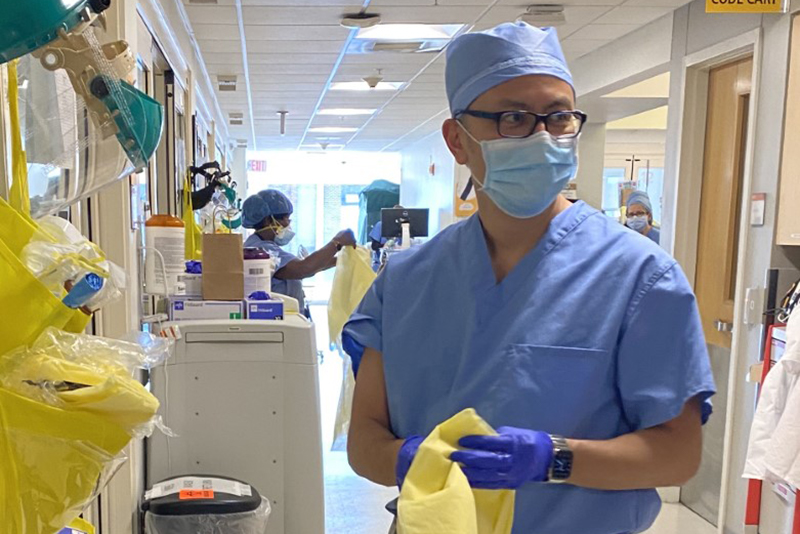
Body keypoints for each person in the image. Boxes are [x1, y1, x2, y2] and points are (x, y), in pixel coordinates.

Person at [343, 22, 715, 534]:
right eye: (514, 118)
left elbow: (677, 454)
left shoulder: (640, 278)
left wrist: (555, 459)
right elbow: (364, 443)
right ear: (457, 140)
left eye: (559, 117)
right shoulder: (406, 282)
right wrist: (410, 459)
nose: (543, 137)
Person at [242, 189, 356, 314]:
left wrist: (342, 259)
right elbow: (304, 268)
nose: (288, 224)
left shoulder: (266, 246)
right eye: (285, 219)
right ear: (267, 221)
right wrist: (336, 242)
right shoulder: (260, 250)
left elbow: (309, 267)